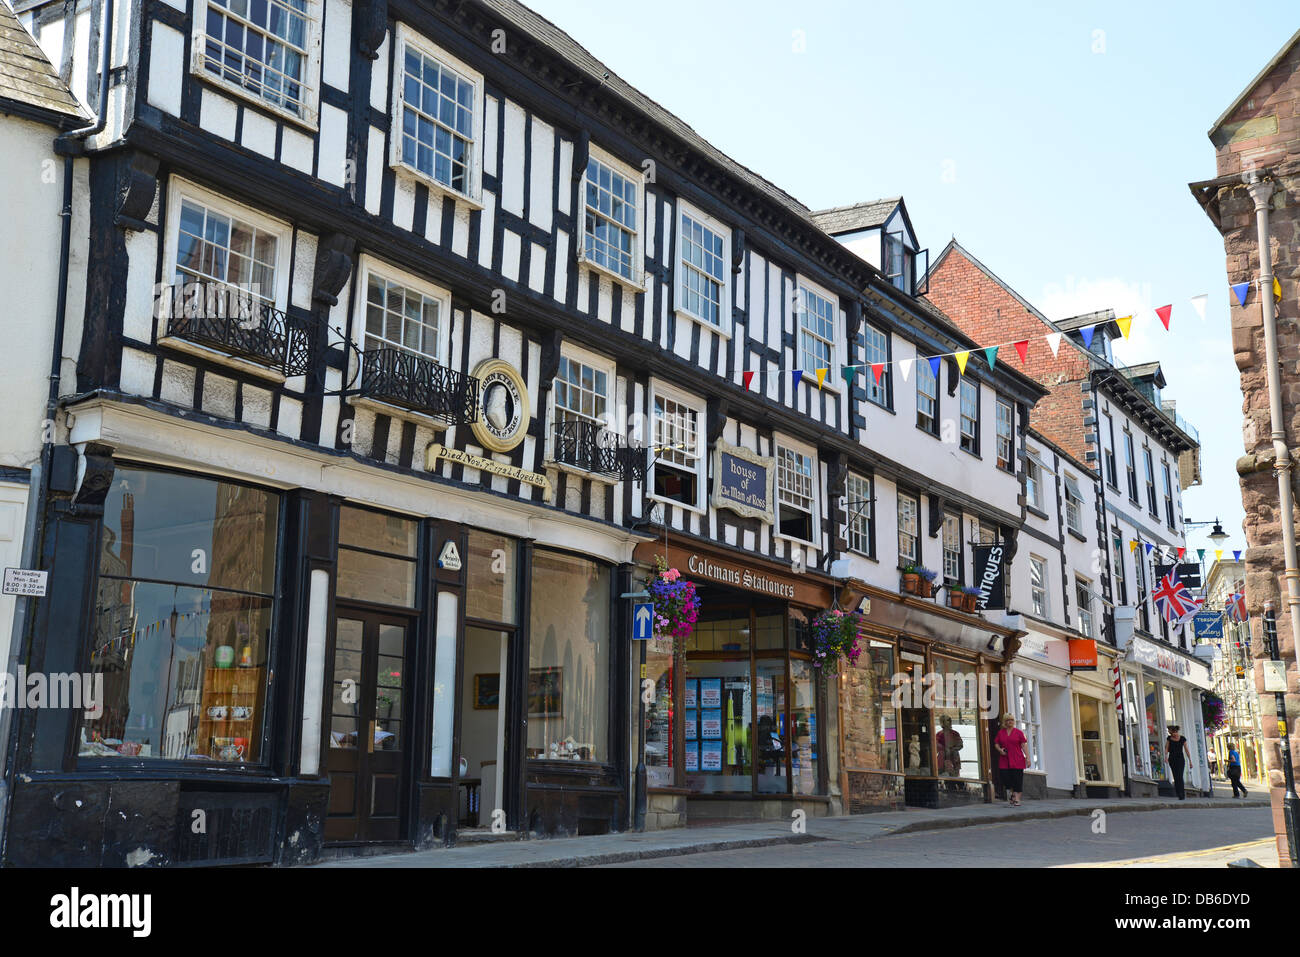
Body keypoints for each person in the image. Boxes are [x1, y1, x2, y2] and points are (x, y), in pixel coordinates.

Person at [994, 713, 1029, 806]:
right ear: (1004, 722)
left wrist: (1028, 758)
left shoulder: (1019, 732)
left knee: (1017, 779)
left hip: (1017, 758)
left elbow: (1024, 745)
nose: (1010, 722)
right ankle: (1013, 793)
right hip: (1004, 759)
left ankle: (1017, 799)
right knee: (1005, 778)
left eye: (1012, 720)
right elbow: (996, 743)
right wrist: (1000, 750)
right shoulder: (1001, 733)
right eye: (1008, 720)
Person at [1166, 725, 1191, 800]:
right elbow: (1166, 748)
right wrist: (1165, 757)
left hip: (1180, 759)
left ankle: (1181, 794)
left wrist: (1190, 761)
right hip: (1172, 759)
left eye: (1172, 732)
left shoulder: (1182, 739)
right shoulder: (1169, 739)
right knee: (1176, 776)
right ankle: (1178, 792)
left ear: (1176, 731)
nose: (1172, 734)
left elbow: (1186, 750)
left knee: (1180, 776)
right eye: (1170, 733)